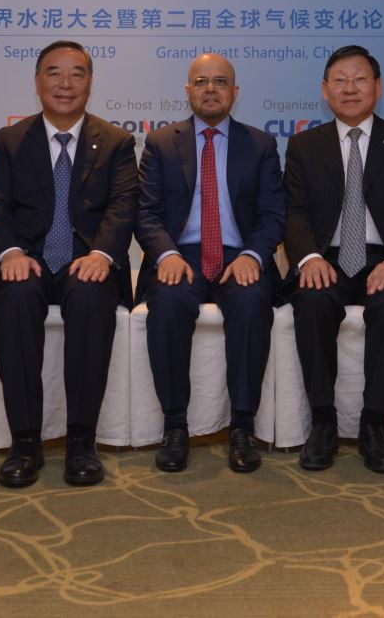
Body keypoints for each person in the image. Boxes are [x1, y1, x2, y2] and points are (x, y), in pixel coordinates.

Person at [0, 41, 138, 488]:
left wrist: (102, 254)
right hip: (27, 260)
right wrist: (10, 252)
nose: (65, 84)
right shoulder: (9, 141)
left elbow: (123, 205)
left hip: (87, 260)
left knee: (90, 298)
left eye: (77, 74)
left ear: (90, 82)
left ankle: (81, 441)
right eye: (54, 73)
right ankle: (24, 441)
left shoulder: (116, 141)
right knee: (15, 298)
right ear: (37, 82)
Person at [283, 45, 384, 473]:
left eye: (360, 79)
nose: (350, 88)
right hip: (326, 258)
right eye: (340, 80)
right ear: (324, 90)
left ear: (378, 87)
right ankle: (323, 422)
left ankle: (373, 423)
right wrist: (309, 258)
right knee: (312, 300)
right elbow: (293, 212)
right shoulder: (304, 145)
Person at [136, 53, 286, 473]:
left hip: (240, 255)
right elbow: (145, 212)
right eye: (201, 81)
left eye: (220, 82)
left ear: (235, 92)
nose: (210, 89)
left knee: (253, 302)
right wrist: (165, 254)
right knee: (167, 303)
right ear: (187, 90)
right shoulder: (161, 143)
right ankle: (175, 425)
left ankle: (242, 426)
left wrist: (253, 255)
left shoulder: (260, 145)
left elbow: (273, 214)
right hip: (180, 254)